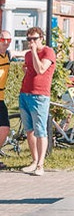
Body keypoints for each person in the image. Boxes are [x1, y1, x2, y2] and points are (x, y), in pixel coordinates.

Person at [18, 27, 56, 175]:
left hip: (39, 96)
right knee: (29, 130)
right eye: (29, 39)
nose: (31, 42)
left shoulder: (48, 52)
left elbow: (41, 69)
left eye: (34, 39)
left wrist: (34, 52)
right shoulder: (27, 54)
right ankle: (34, 161)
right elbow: (29, 70)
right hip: (25, 94)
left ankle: (41, 165)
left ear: (41, 38)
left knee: (40, 130)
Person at [0, 33, 11, 155]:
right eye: (3, 39)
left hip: (1, 97)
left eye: (9, 39)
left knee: (4, 128)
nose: (6, 42)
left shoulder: (8, 54)